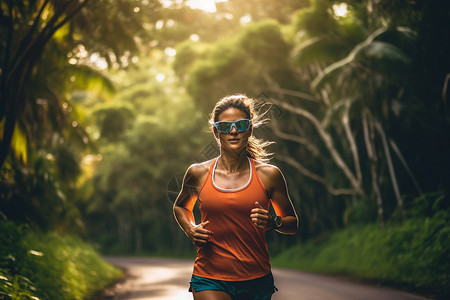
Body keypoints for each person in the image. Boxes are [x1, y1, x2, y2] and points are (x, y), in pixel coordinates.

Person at [173, 94, 298, 300]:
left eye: (240, 125)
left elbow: (292, 224)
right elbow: (181, 206)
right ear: (216, 132)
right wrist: (190, 229)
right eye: (225, 126)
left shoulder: (269, 175)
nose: (233, 131)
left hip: (256, 279)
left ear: (249, 129)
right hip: (209, 277)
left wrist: (273, 221)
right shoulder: (198, 173)